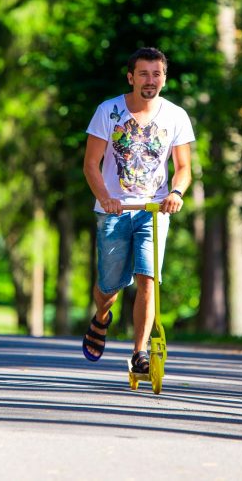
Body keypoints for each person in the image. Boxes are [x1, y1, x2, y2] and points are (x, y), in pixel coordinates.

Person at [81, 46, 195, 374]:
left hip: (153, 210)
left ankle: (140, 352)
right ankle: (101, 318)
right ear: (131, 77)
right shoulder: (108, 111)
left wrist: (176, 192)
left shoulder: (175, 116)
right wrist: (105, 198)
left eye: (156, 74)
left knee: (148, 279)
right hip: (114, 210)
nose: (150, 80)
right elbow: (91, 164)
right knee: (111, 286)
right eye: (143, 73)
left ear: (164, 78)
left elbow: (184, 167)